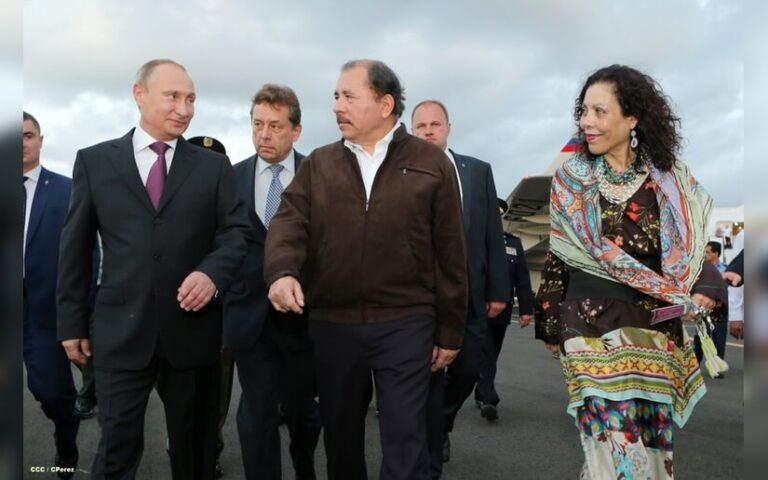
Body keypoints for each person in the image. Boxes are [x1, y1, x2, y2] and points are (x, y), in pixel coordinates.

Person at [264, 59, 467, 480]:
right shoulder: (319, 164)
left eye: (348, 96)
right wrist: (282, 272)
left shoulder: (431, 163)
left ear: (385, 103)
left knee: (406, 440)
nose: (337, 105)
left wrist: (450, 330)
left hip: (406, 322)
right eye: (336, 96)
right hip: (333, 323)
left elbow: (451, 253)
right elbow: (288, 222)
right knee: (340, 442)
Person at [57, 59, 251, 480]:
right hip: (120, 331)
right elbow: (75, 248)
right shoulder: (94, 162)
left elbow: (237, 233)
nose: (184, 108)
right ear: (139, 94)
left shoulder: (213, 167)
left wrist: (212, 273)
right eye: (173, 96)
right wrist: (71, 322)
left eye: (191, 99)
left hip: (192, 331)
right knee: (116, 447)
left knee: (194, 450)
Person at [534, 64, 726, 479]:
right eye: (583, 111)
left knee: (653, 453)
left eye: (600, 112)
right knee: (612, 450)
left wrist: (707, 287)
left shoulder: (671, 180)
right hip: (588, 323)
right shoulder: (571, 178)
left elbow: (694, 249)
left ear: (632, 118)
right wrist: (550, 322)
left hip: (655, 326)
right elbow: (561, 254)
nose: (587, 121)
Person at [223, 84, 321, 480]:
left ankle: (304, 466)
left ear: (296, 131)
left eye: (276, 126)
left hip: (305, 317)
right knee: (257, 411)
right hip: (251, 318)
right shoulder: (229, 179)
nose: (264, 134)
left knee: (304, 413)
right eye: (258, 124)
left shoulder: (321, 177)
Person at [410, 99, 509, 475]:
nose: (429, 131)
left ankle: (442, 422)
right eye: (422, 126)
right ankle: (431, 457)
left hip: (470, 296)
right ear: (411, 130)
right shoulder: (402, 172)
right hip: (423, 300)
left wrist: (498, 290)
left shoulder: (477, 171)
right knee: (430, 379)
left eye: (436, 124)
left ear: (449, 127)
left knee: (468, 371)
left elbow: (491, 233)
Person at [22, 111, 79, 478]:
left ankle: (66, 438)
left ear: (41, 140)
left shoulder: (66, 189)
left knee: (50, 390)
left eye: (27, 135)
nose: (21, 144)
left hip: (44, 311)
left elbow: (83, 251)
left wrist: (81, 308)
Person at [187, 135, 235, 479]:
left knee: (217, 389)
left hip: (221, 314)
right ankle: (185, 440)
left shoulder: (231, 205)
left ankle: (211, 447)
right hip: (178, 312)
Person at [473, 198, 534, 421]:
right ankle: (489, 399)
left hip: (503, 311)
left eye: (499, 215)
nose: (496, 218)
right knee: (485, 351)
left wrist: (526, 309)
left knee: (491, 353)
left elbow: (522, 279)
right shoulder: (474, 240)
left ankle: (481, 391)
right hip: (476, 308)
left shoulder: (513, 244)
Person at [693, 241, 729, 369]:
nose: (705, 254)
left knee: (719, 337)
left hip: (719, 308)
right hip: (703, 307)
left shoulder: (726, 269)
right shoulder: (700, 269)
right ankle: (694, 365)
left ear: (716, 253)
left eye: (707, 252)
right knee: (700, 336)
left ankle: (717, 367)